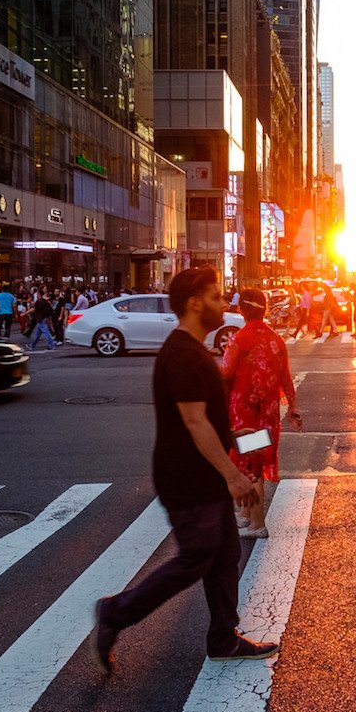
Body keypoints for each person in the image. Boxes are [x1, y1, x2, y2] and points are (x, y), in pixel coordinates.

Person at [92, 265, 277, 672]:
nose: (222, 303)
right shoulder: (182, 355)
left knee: (225, 553)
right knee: (196, 558)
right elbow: (193, 424)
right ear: (194, 303)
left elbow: (203, 420)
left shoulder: (194, 351)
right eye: (214, 296)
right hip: (187, 478)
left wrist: (236, 433)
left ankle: (223, 637)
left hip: (200, 474)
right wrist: (233, 477)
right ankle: (115, 613)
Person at [220, 290, 299, 540]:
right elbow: (286, 379)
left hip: (244, 413)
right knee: (251, 463)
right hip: (269, 414)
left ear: (242, 310)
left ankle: (257, 523)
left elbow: (225, 376)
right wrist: (293, 408)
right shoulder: (276, 340)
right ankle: (246, 515)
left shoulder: (239, 340)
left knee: (250, 467)